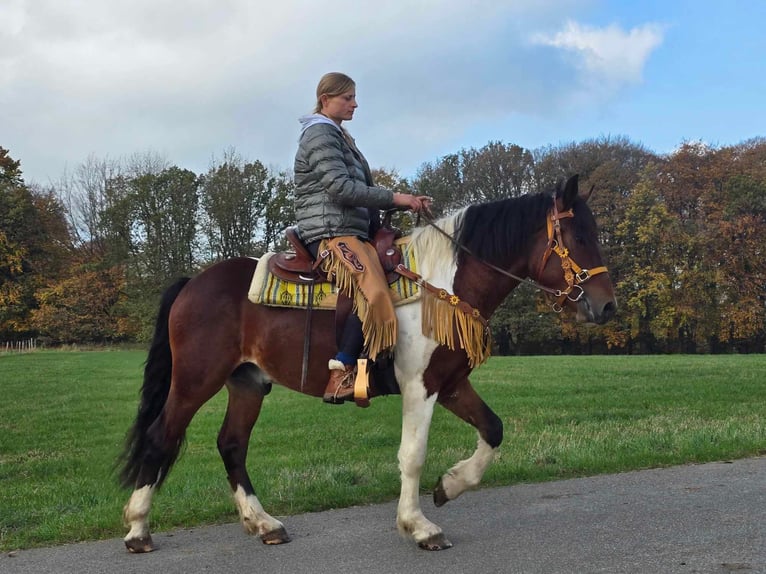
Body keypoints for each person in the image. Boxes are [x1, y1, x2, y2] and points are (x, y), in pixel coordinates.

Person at [294, 72, 430, 405]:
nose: (355, 104)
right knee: (370, 288)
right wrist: (396, 198)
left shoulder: (339, 135)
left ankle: (376, 367)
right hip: (328, 232)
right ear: (326, 100)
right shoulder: (319, 135)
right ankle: (341, 371)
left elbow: (357, 188)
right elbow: (340, 188)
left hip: (350, 229)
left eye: (354, 97)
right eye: (348, 98)